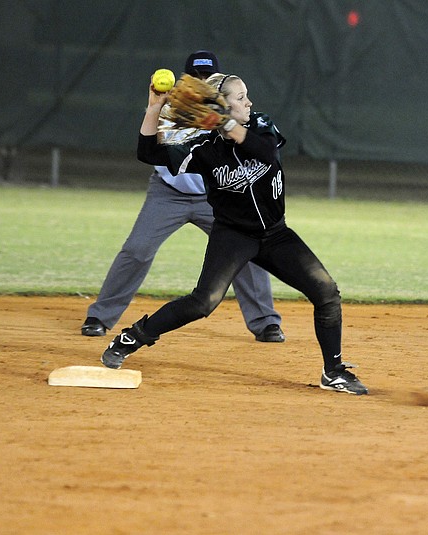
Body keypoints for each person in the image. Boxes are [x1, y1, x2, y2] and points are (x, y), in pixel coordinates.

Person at [99, 71, 368, 395]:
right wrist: (154, 107)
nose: (249, 102)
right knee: (203, 302)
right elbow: (148, 153)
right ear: (223, 105)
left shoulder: (262, 125)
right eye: (241, 98)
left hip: (276, 234)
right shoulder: (202, 146)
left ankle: (333, 371)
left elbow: (265, 152)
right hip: (233, 235)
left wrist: (225, 123)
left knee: (326, 293)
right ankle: (132, 337)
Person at [81, 51, 285, 344]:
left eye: (208, 77)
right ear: (187, 78)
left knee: (246, 252)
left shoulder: (231, 111)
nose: (202, 81)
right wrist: (163, 108)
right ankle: (100, 316)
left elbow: (249, 146)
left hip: (216, 197)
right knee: (137, 249)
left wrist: (223, 120)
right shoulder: (173, 107)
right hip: (169, 192)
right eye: (197, 76)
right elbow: (154, 149)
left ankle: (266, 323)